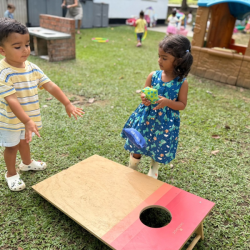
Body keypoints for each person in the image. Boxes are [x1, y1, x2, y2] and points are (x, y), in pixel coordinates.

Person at [0, 18, 84, 191]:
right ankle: (11, 174)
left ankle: (27, 163)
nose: (25, 50)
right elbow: (12, 100)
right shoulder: (4, 73)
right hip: (11, 120)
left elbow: (50, 85)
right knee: (12, 146)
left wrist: (67, 103)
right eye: (17, 47)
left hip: (26, 119)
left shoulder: (32, 67)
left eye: (27, 44)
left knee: (25, 141)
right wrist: (27, 121)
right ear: (2, 50)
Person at [121, 35, 193, 179]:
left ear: (178, 60)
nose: (159, 60)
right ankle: (133, 166)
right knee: (137, 141)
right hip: (145, 117)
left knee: (158, 145)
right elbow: (144, 91)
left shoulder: (181, 83)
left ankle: (154, 169)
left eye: (164, 58)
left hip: (164, 122)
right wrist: (144, 98)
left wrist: (167, 102)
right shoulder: (153, 75)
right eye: (159, 56)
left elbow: (182, 105)